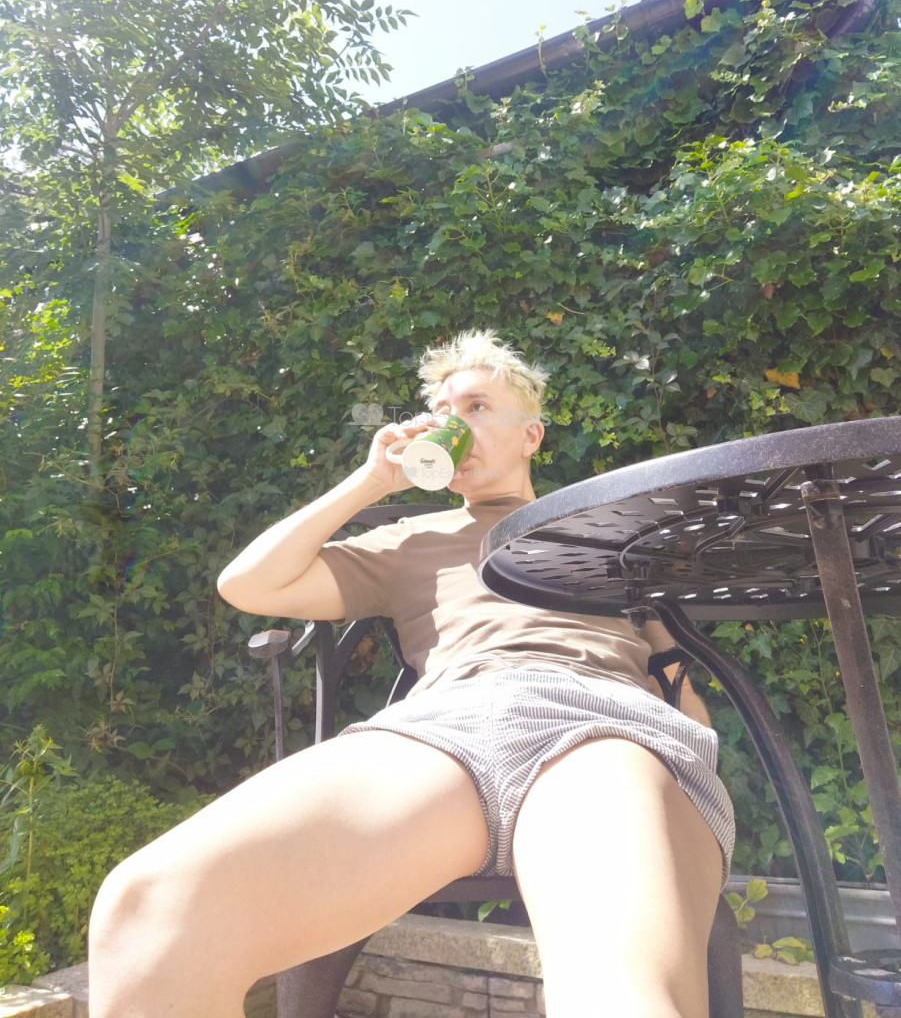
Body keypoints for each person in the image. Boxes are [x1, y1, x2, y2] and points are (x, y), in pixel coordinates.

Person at [89, 330, 734, 1018]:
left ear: (531, 435)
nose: (455, 424)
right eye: (444, 412)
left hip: (597, 725)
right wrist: (372, 481)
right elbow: (248, 584)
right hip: (438, 730)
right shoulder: (407, 540)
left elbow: (674, 680)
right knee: (148, 910)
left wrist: (689, 778)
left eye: (477, 406)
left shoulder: (603, 533)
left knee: (618, 995)